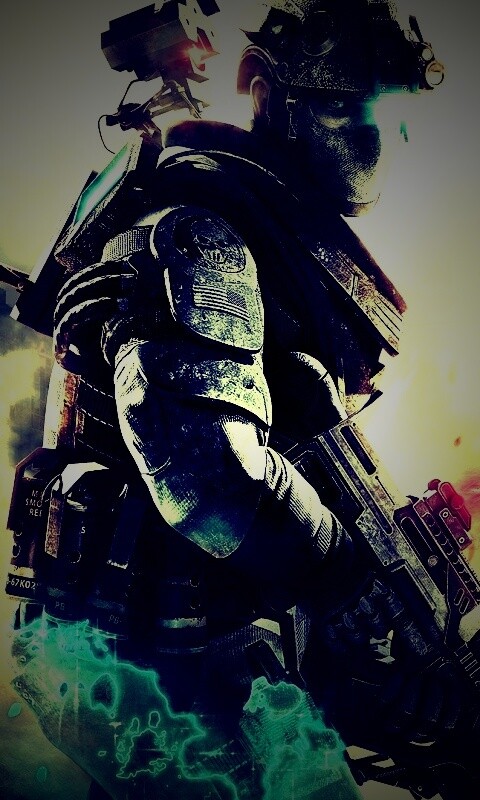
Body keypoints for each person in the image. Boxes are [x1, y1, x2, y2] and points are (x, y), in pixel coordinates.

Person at [10, 1, 472, 798]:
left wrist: (387, 681)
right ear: (265, 93)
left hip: (180, 668)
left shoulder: (263, 238)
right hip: (160, 679)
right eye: (346, 108)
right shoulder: (201, 226)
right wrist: (344, 577)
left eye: (389, 116)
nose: (372, 140)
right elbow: (206, 478)